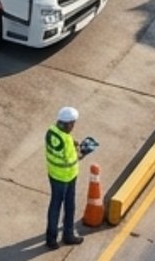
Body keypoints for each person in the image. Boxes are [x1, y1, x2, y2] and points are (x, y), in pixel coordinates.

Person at [44, 106, 85, 249]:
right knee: (69, 206)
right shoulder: (66, 141)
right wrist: (82, 153)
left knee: (54, 206)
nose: (73, 126)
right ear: (67, 124)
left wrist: (72, 141)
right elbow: (72, 159)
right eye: (72, 123)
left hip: (54, 175)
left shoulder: (51, 132)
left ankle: (51, 239)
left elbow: (63, 140)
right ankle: (68, 235)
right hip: (67, 177)